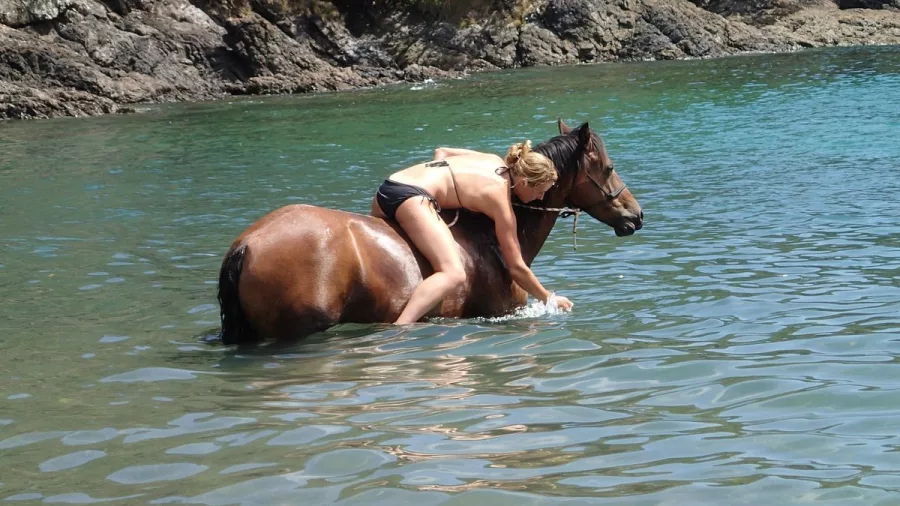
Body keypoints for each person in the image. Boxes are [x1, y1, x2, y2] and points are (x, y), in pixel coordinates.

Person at [370, 140, 574, 324]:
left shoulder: (491, 159)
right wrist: (548, 297)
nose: (540, 198)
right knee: (453, 273)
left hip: (387, 189)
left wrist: (450, 190)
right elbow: (517, 268)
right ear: (524, 183)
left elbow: (441, 151)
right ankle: (400, 328)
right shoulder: (501, 203)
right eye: (540, 192)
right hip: (411, 198)